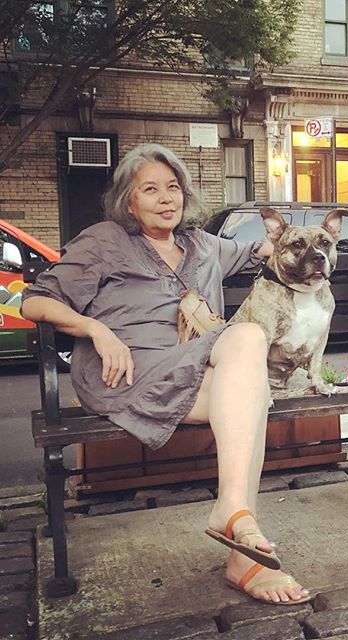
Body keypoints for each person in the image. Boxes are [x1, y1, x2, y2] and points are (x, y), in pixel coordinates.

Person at [21, 144, 309, 605]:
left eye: (172, 187)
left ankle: (235, 527)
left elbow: (262, 248)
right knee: (250, 348)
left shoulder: (202, 245)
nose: (165, 198)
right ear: (128, 200)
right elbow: (35, 301)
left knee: (249, 382)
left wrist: (295, 241)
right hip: (125, 371)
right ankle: (237, 529)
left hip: (187, 368)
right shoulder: (103, 241)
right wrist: (96, 329)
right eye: (150, 189)